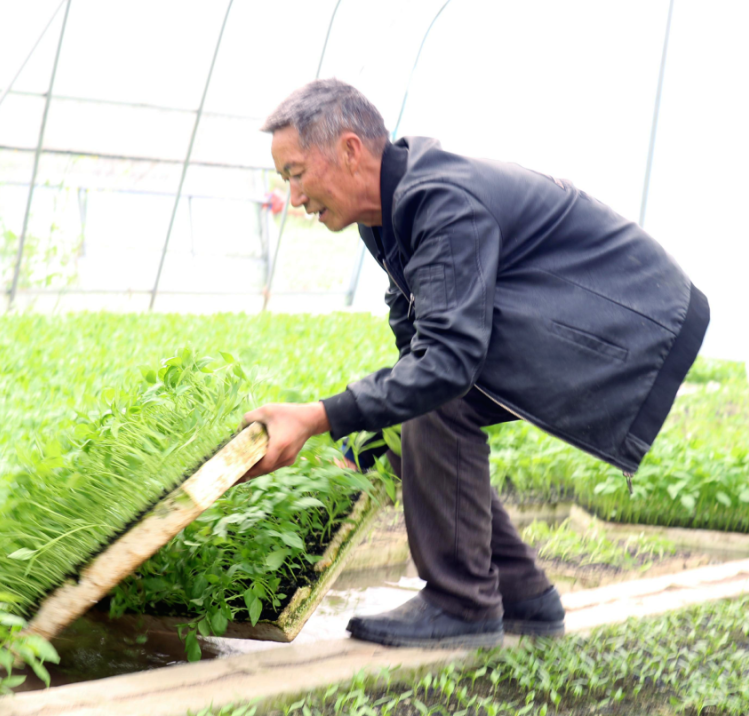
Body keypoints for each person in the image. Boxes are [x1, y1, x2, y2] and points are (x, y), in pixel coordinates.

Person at [242, 79, 709, 649]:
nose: (293, 198)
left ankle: (462, 605)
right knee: (421, 395)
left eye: (294, 173)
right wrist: (357, 448)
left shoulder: (442, 201)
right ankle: (522, 596)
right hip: (604, 316)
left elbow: (443, 364)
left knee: (437, 393)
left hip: (631, 324)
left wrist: (319, 416)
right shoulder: (384, 216)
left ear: (348, 150)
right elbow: (416, 345)